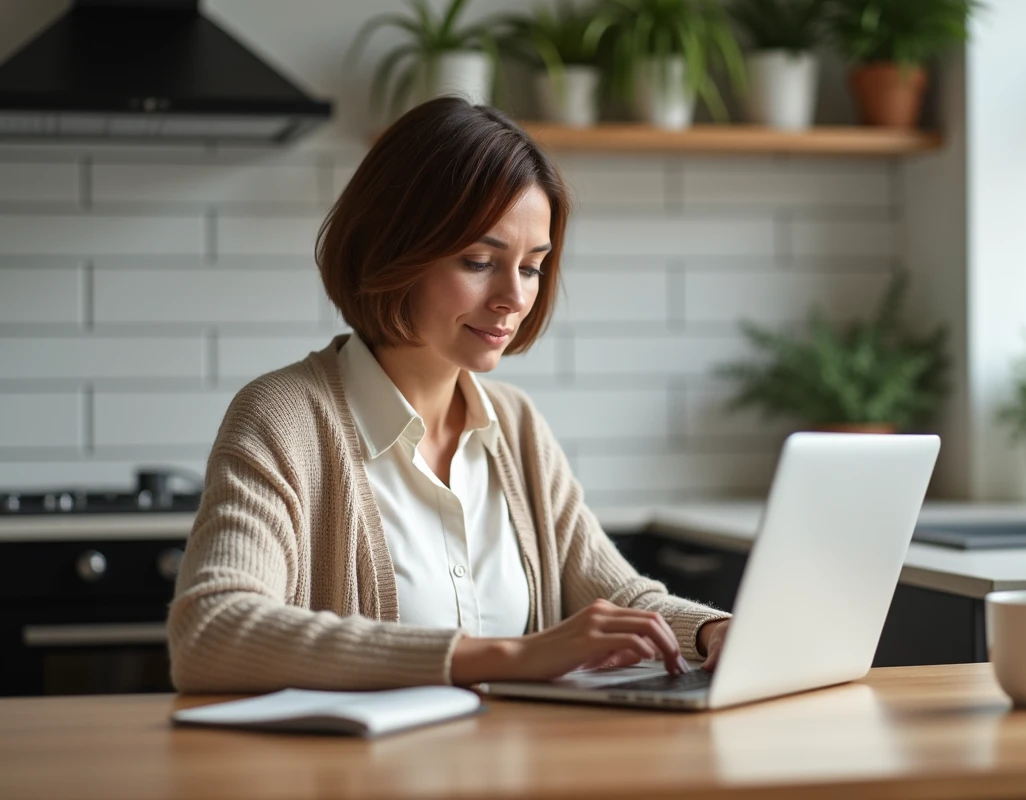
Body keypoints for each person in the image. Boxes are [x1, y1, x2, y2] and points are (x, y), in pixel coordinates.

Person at [166, 97, 732, 693]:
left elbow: (615, 594)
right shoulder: (284, 419)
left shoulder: (515, 426)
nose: (513, 297)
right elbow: (211, 632)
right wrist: (503, 656)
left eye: (533, 267)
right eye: (479, 260)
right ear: (393, 250)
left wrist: (711, 632)